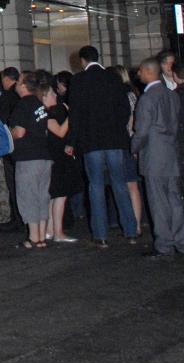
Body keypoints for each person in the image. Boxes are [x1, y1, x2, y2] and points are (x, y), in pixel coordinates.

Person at [67, 45, 139, 248]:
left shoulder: (79, 81)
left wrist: (72, 141)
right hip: (115, 141)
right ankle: (131, 230)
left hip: (92, 142)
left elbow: (76, 115)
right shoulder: (113, 78)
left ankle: (100, 234)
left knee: (96, 186)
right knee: (120, 184)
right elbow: (124, 109)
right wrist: (118, 130)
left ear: (82, 61)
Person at [132, 57, 184, 257]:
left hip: (154, 156)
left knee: (158, 202)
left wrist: (134, 147)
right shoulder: (172, 96)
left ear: (147, 72)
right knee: (175, 200)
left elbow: (142, 130)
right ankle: (180, 239)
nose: (139, 75)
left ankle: (164, 243)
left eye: (140, 72)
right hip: (171, 153)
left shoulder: (147, 99)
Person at [10, 72, 52, 249]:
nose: (16, 84)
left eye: (18, 82)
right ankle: (42, 235)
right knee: (43, 196)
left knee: (28, 196)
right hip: (44, 155)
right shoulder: (38, 104)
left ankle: (33, 237)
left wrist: (7, 134)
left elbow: (19, 132)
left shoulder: (23, 105)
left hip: (28, 157)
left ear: (24, 86)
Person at [108, 64, 144, 236]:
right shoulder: (131, 94)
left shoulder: (122, 95)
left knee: (127, 184)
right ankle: (134, 223)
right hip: (128, 142)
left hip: (124, 142)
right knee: (131, 185)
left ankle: (132, 223)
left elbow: (130, 121)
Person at [42, 80, 79, 244]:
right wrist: (72, 115)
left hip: (56, 155)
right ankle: (58, 232)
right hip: (56, 157)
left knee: (54, 195)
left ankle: (51, 230)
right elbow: (60, 132)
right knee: (59, 195)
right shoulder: (47, 114)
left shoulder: (50, 112)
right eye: (51, 93)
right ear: (44, 97)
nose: (55, 95)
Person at [0, 67, 22, 230]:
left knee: (13, 183)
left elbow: (2, 121)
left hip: (11, 145)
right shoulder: (18, 96)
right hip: (21, 144)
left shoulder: (7, 97)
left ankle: (17, 217)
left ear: (6, 79)